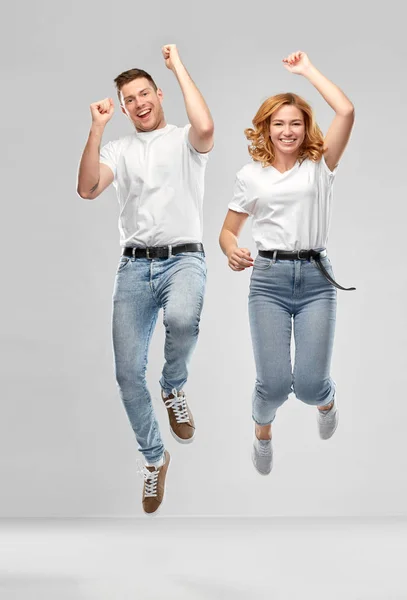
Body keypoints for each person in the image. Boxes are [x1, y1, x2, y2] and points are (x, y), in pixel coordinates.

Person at [77, 44, 214, 513]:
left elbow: (207, 127)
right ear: (123, 107)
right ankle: (154, 458)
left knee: (182, 319)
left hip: (183, 260)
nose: (138, 103)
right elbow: (88, 188)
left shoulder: (183, 140)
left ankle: (173, 385)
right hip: (134, 267)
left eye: (143, 93)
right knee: (126, 375)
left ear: (158, 94)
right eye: (128, 99)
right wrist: (96, 130)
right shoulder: (118, 147)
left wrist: (177, 66)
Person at [219, 50, 355, 475]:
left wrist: (307, 70)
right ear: (266, 128)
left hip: (316, 278)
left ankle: (327, 401)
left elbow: (346, 110)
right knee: (275, 386)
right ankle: (263, 430)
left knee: (311, 386)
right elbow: (227, 230)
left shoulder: (320, 165)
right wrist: (230, 250)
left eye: (295, 122)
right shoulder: (251, 175)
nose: (288, 131)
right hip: (269, 282)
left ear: (305, 127)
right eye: (279, 123)